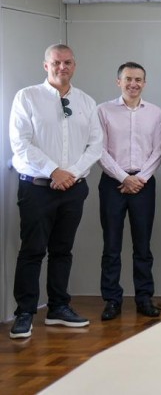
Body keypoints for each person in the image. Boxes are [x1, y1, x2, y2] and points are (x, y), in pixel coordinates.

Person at [8, 44, 103, 339]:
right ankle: (24, 313)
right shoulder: (27, 97)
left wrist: (70, 174)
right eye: (57, 62)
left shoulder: (87, 102)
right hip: (37, 188)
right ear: (45, 65)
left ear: (74, 65)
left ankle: (59, 308)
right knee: (32, 250)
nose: (63, 67)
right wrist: (54, 171)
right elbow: (20, 143)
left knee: (62, 251)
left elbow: (96, 145)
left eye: (68, 62)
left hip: (73, 189)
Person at [97, 62, 161, 320]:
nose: (133, 84)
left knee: (143, 245)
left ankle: (144, 297)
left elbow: (159, 150)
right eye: (128, 79)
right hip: (113, 183)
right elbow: (99, 150)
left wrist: (141, 179)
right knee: (111, 245)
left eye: (138, 79)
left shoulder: (155, 113)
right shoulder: (103, 110)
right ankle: (112, 300)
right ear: (119, 82)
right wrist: (124, 177)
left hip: (144, 185)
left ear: (144, 83)